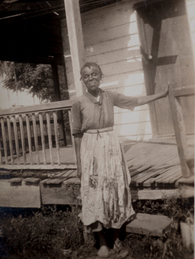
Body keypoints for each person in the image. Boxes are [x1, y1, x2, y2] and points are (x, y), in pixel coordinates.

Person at [71, 62, 168, 258]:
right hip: (90, 149)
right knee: (94, 193)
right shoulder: (78, 103)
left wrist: (161, 95)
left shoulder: (110, 96)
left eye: (94, 74)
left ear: (101, 76)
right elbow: (77, 135)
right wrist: (80, 164)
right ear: (82, 80)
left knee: (115, 190)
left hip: (111, 148)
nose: (91, 78)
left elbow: (136, 101)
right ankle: (102, 242)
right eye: (86, 76)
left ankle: (116, 238)